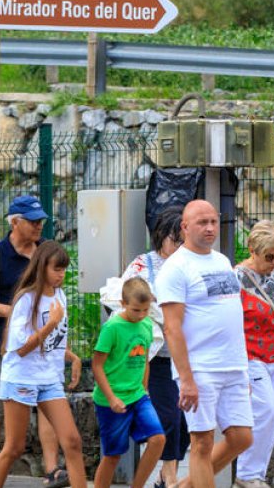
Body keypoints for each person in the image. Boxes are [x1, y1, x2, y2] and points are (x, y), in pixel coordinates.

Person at [0, 195, 67, 488]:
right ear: (14, 222)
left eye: (41, 221)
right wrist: (17, 311)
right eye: (33, 221)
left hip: (45, 346)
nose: (39, 225)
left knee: (48, 403)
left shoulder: (43, 253)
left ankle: (53, 471)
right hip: (7, 345)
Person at [154, 200, 252, 488]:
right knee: (202, 443)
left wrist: (242, 368)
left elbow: (231, 316)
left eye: (213, 221)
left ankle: (185, 485)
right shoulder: (176, 268)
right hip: (200, 368)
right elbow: (172, 328)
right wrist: (186, 380)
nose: (210, 228)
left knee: (241, 437)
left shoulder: (221, 261)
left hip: (233, 366)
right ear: (185, 227)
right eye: (202, 223)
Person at [0, 240, 85, 488]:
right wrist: (50, 323)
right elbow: (20, 349)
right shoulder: (26, 300)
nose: (61, 275)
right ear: (42, 268)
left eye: (64, 270)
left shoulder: (60, 296)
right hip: (21, 377)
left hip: (49, 379)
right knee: (14, 447)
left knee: (72, 441)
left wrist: (72, 358)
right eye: (57, 269)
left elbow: (54, 342)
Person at [121, 207, 188, 488]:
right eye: (175, 241)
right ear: (162, 237)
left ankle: (165, 473)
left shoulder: (190, 263)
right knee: (169, 416)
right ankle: (170, 474)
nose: (179, 247)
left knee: (186, 420)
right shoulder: (144, 264)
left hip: (185, 352)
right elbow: (121, 295)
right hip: (158, 356)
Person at [233, 220, 274, 488]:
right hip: (250, 356)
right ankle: (246, 476)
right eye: (269, 256)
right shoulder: (235, 278)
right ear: (252, 249)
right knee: (265, 413)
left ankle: (257, 475)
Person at [92, 277, 165, 488]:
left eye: (145, 310)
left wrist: (144, 388)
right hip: (111, 399)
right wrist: (111, 398)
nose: (141, 315)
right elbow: (97, 366)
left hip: (138, 396)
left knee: (158, 439)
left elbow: (145, 360)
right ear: (123, 304)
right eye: (136, 310)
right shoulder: (112, 327)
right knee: (113, 456)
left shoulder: (146, 325)